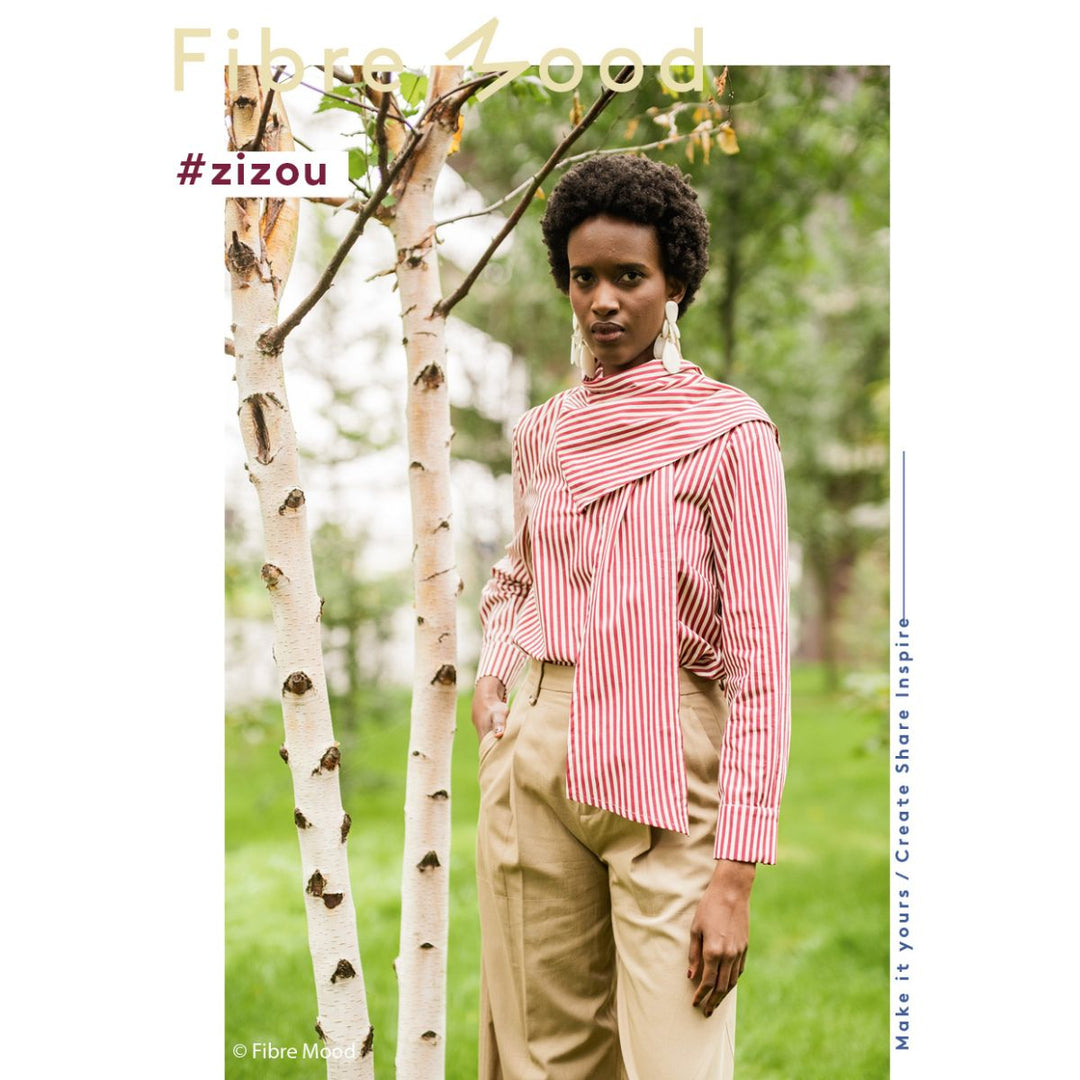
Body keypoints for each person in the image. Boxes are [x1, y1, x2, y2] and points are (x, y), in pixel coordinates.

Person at [471, 152, 790, 1080]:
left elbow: (762, 659)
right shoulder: (543, 431)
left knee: (676, 1058)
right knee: (547, 1057)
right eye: (584, 278)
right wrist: (496, 676)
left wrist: (734, 876)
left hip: (666, 756)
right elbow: (520, 574)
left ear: (675, 283)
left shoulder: (731, 432)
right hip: (536, 754)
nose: (603, 300)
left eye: (629, 277)